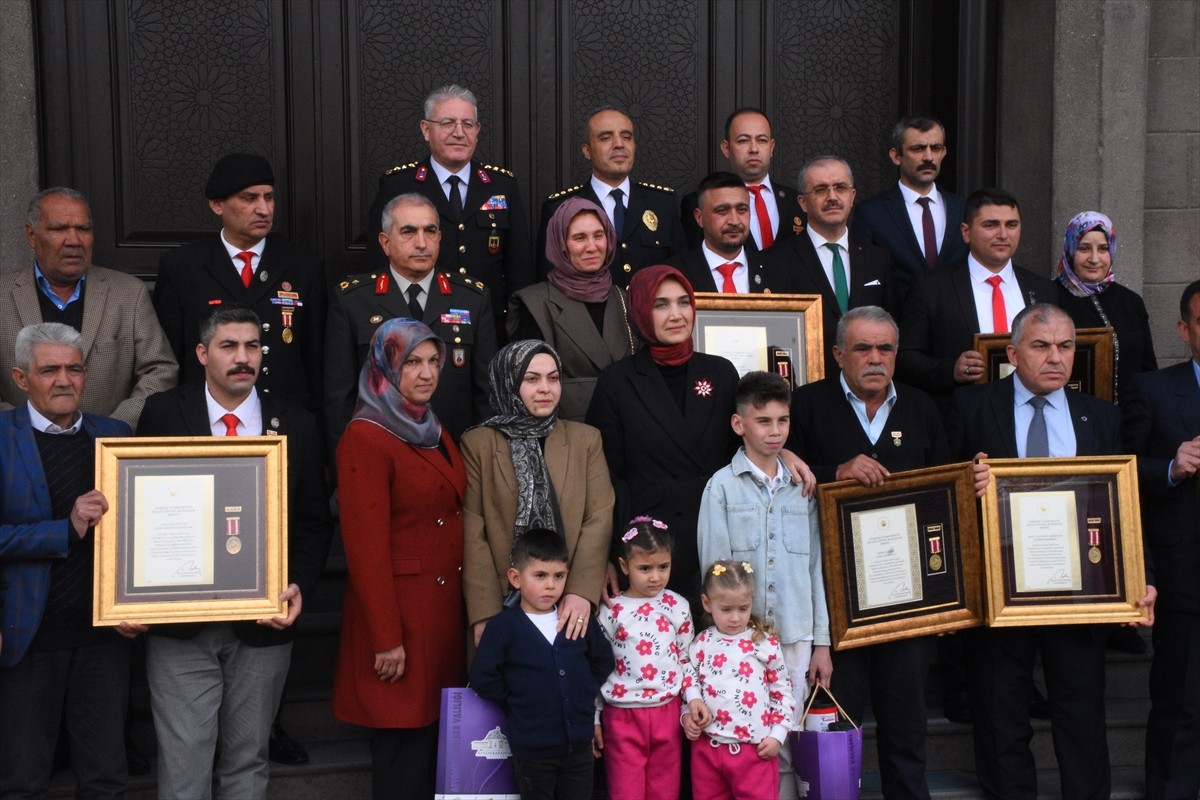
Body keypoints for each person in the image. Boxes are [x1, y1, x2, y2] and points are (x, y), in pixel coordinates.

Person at [947, 303, 1154, 800]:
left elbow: (1121, 504)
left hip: (1078, 592)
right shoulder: (971, 408)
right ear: (1014, 353)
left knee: (1081, 712)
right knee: (1001, 714)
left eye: (1065, 346)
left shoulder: (1100, 415)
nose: (1055, 357)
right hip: (1000, 592)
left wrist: (1134, 578)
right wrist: (965, 482)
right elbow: (945, 501)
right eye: (1041, 346)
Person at [137, 307, 332, 800]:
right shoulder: (162, 414)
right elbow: (138, 509)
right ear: (203, 354)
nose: (243, 358)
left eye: (252, 347)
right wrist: (128, 594)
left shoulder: (298, 424)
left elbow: (312, 522)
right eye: (229, 346)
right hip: (179, 624)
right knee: (184, 764)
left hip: (263, 623)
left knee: (249, 760)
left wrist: (298, 586)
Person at [787, 306, 948, 798]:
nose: (875, 358)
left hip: (907, 601)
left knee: (906, 729)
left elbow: (946, 493)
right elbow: (776, 480)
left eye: (885, 349)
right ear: (838, 354)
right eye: (862, 348)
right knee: (837, 728)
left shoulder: (922, 408)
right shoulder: (806, 406)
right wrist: (832, 470)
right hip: (838, 604)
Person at [586, 265, 815, 600]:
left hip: (719, 534)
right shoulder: (617, 381)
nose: (676, 314)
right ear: (640, 312)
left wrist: (782, 452)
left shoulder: (719, 371)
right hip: (650, 547)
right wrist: (608, 556)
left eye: (683, 302)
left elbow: (745, 439)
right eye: (661, 305)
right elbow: (606, 479)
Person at [0, 322, 143, 798]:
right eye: (49, 370)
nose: (64, 380)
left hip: (103, 637)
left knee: (105, 778)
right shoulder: (1, 437)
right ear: (21, 379)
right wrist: (66, 528)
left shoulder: (114, 436)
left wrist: (141, 601)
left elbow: (140, 534)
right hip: (26, 634)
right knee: (23, 779)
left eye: (74, 368)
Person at [331, 318, 467, 800]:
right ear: (385, 365)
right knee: (403, 761)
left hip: (441, 616)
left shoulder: (430, 425)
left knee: (436, 754)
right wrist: (387, 639)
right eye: (412, 362)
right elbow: (366, 550)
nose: (427, 373)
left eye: (433, 361)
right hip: (402, 625)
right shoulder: (366, 436)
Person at [697, 371, 831, 799]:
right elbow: (715, 569)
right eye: (763, 421)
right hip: (739, 640)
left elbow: (815, 569)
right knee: (749, 743)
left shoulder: (801, 488)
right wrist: (727, 632)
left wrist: (821, 642)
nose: (775, 431)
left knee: (789, 736)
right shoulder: (720, 487)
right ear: (739, 425)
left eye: (782, 421)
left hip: (794, 634)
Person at [461, 340, 613, 645]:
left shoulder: (585, 440)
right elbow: (473, 531)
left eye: (553, 378)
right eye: (531, 379)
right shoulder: (478, 443)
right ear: (508, 382)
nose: (545, 388)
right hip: (504, 605)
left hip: (567, 607)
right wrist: (485, 613)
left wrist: (581, 591)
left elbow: (599, 516)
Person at [154, 153, 326, 422]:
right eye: (249, 198)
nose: (264, 209)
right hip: (205, 421)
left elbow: (317, 363)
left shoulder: (303, 267)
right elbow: (170, 359)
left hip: (283, 422)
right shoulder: (182, 267)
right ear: (217, 205)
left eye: (268, 197)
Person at [325, 193, 497, 448]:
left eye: (430, 231)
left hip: (454, 455)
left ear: (439, 237)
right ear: (385, 242)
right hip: (379, 455)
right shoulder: (353, 300)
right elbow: (338, 396)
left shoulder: (472, 297)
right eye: (408, 231)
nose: (421, 243)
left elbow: (486, 393)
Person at [0, 188, 177, 430]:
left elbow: (161, 370)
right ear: (31, 235)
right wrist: (19, 428)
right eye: (59, 229)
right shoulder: (3, 295)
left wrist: (113, 427)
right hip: (20, 451)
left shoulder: (128, 294)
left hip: (107, 449)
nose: (74, 240)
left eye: (83, 229)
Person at [363, 84, 531, 338]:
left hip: (486, 326)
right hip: (418, 322)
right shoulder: (398, 184)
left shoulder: (502, 185)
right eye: (448, 123)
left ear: (477, 131)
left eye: (467, 124)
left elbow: (519, 267)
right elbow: (379, 261)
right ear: (426, 129)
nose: (459, 133)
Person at [1122, 279, 1200, 799]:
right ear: (1184, 329)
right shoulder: (1152, 389)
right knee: (1183, 700)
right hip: (1184, 573)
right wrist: (1171, 466)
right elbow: (1121, 470)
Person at [470, 529, 615, 800]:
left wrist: (583, 691)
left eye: (559, 576)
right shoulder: (504, 627)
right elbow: (483, 676)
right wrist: (517, 699)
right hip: (532, 753)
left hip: (579, 750)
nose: (551, 585)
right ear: (516, 578)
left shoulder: (575, 620)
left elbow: (603, 659)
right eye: (540, 576)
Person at [897, 188, 1057, 416]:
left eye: (1011, 225)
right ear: (966, 232)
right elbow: (905, 358)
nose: (1003, 234)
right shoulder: (931, 286)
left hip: (1033, 416)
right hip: (961, 418)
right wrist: (951, 369)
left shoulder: (1042, 289)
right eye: (991, 225)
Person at [595, 517, 707, 800]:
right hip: (621, 715)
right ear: (624, 567)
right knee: (625, 791)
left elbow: (685, 658)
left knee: (665, 791)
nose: (655, 576)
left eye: (663, 567)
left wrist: (693, 697)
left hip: (667, 713)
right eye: (645, 568)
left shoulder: (677, 606)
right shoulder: (611, 611)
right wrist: (594, 717)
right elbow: (596, 666)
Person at [508, 197, 638, 421]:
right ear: (561, 245)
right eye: (579, 238)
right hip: (566, 438)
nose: (592, 247)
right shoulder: (535, 303)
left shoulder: (625, 299)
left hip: (627, 429)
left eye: (599, 236)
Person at [763, 156, 892, 372]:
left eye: (840, 187)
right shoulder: (776, 260)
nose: (832, 197)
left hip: (868, 383)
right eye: (821, 189)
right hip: (807, 384)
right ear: (803, 203)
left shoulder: (878, 259)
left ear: (852, 196)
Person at [684, 560, 796, 800]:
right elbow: (688, 677)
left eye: (743, 608)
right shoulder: (702, 642)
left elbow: (783, 693)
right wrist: (689, 709)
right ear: (707, 603)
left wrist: (777, 735)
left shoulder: (763, 644)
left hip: (755, 751)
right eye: (726, 610)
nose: (735, 617)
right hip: (708, 749)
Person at [538, 107, 686, 287]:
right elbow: (548, 280)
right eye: (606, 137)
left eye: (626, 137)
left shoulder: (662, 203)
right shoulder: (560, 207)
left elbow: (679, 274)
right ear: (587, 150)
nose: (619, 144)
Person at [851, 116, 968, 308]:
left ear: (944, 152)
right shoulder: (871, 213)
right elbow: (865, 280)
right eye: (918, 149)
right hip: (898, 327)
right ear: (896, 156)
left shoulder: (962, 209)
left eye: (936, 148)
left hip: (954, 327)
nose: (929, 157)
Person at [1054, 210, 1157, 403]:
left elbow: (1148, 371)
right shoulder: (1050, 298)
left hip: (1129, 421)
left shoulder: (1131, 302)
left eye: (1103, 249)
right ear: (1070, 249)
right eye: (1084, 248)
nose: (1094, 259)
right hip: (1073, 420)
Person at [680, 108, 806, 252]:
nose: (754, 149)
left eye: (762, 140)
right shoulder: (696, 203)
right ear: (726, 148)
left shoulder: (797, 201)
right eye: (743, 141)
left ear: (771, 148)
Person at [665, 172, 798, 294]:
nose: (734, 221)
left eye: (742, 210)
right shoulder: (673, 274)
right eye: (722, 211)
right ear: (700, 218)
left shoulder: (778, 273)